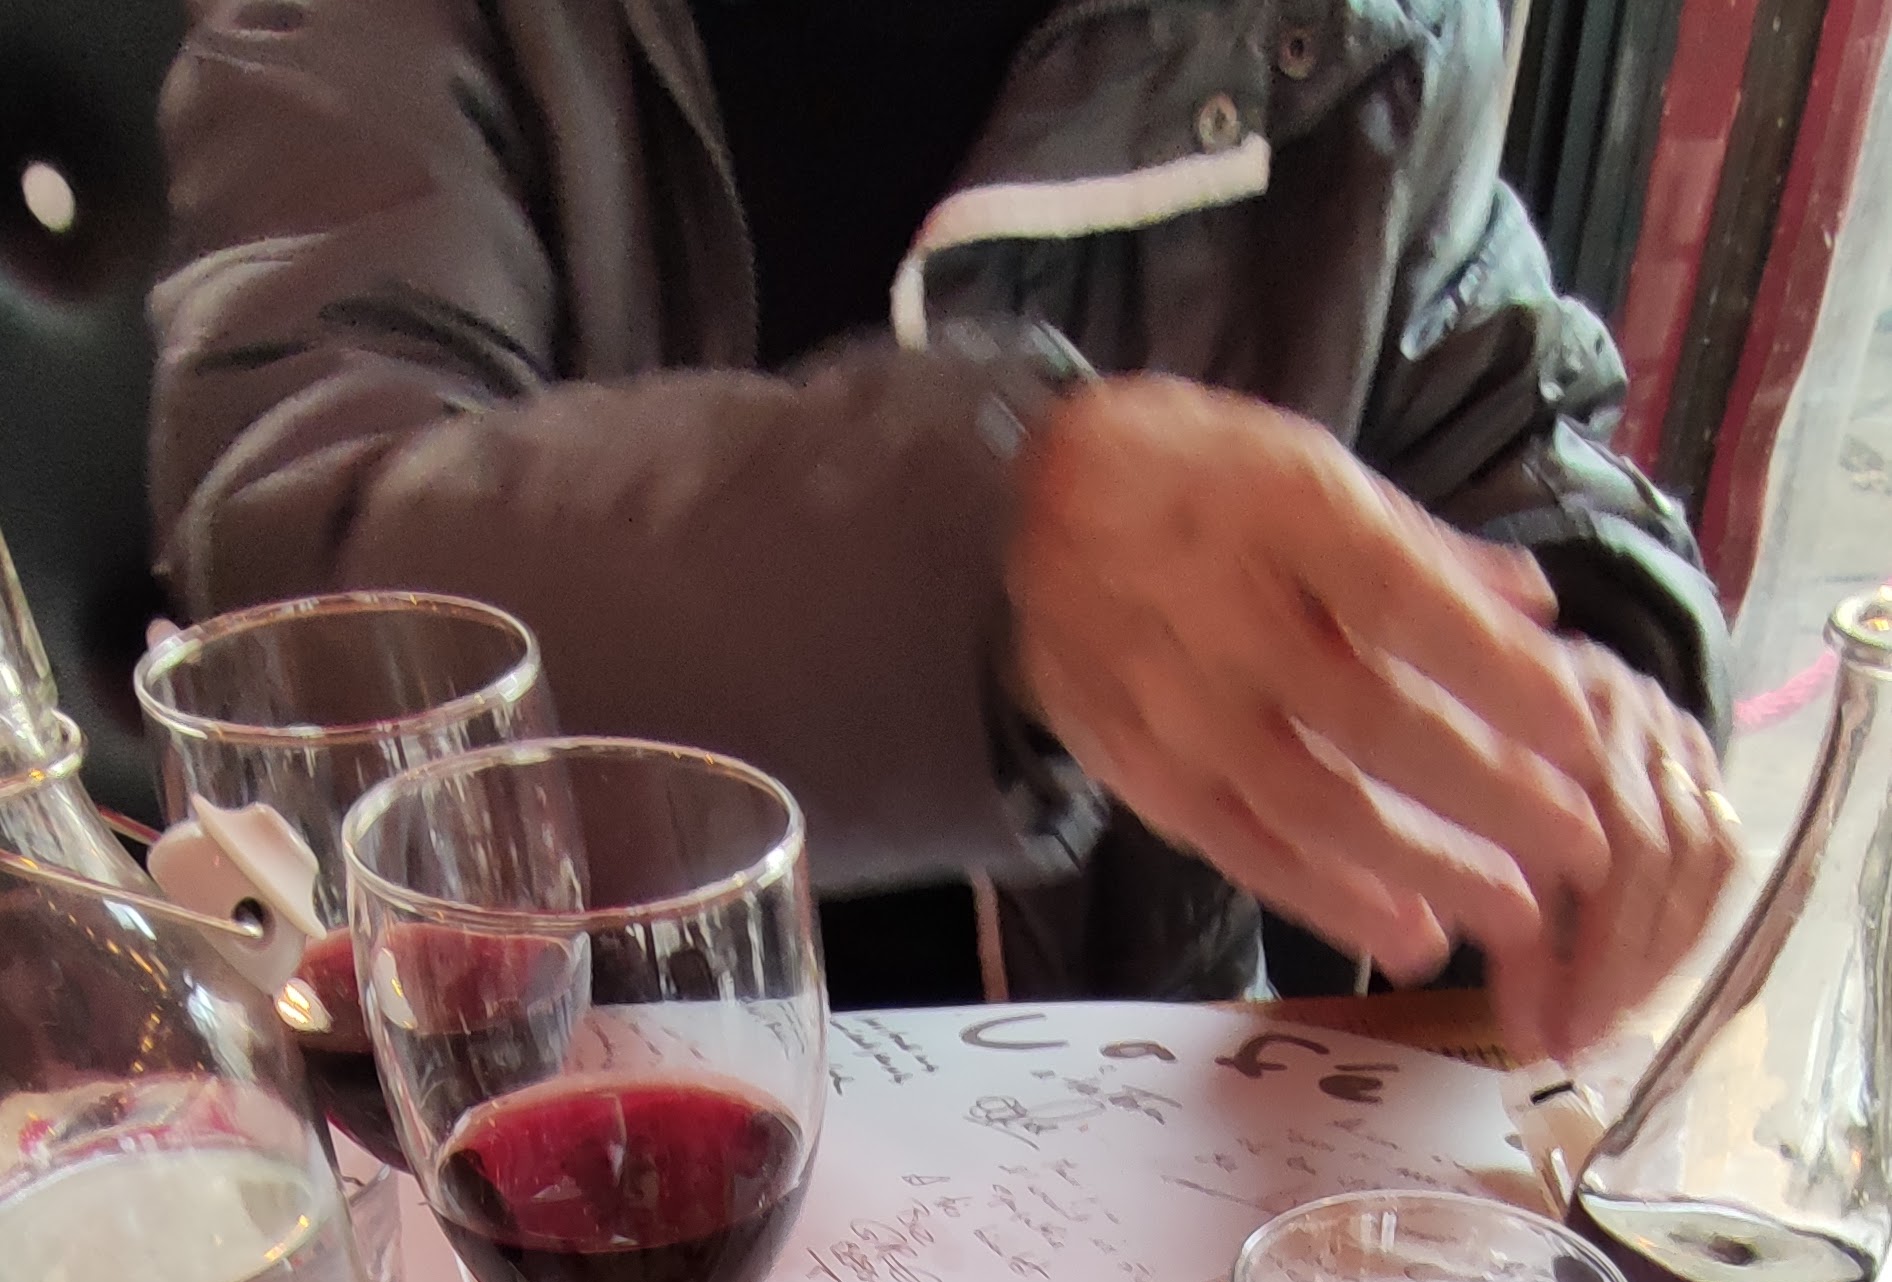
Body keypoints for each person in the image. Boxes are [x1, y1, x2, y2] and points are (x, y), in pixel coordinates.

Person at [148, 0, 1740, 1043]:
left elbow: (1504, 431)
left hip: (1126, 1190)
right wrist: (993, 548)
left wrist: (1600, 676)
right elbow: (306, 604)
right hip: (551, 1112)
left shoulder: (1362, 27)